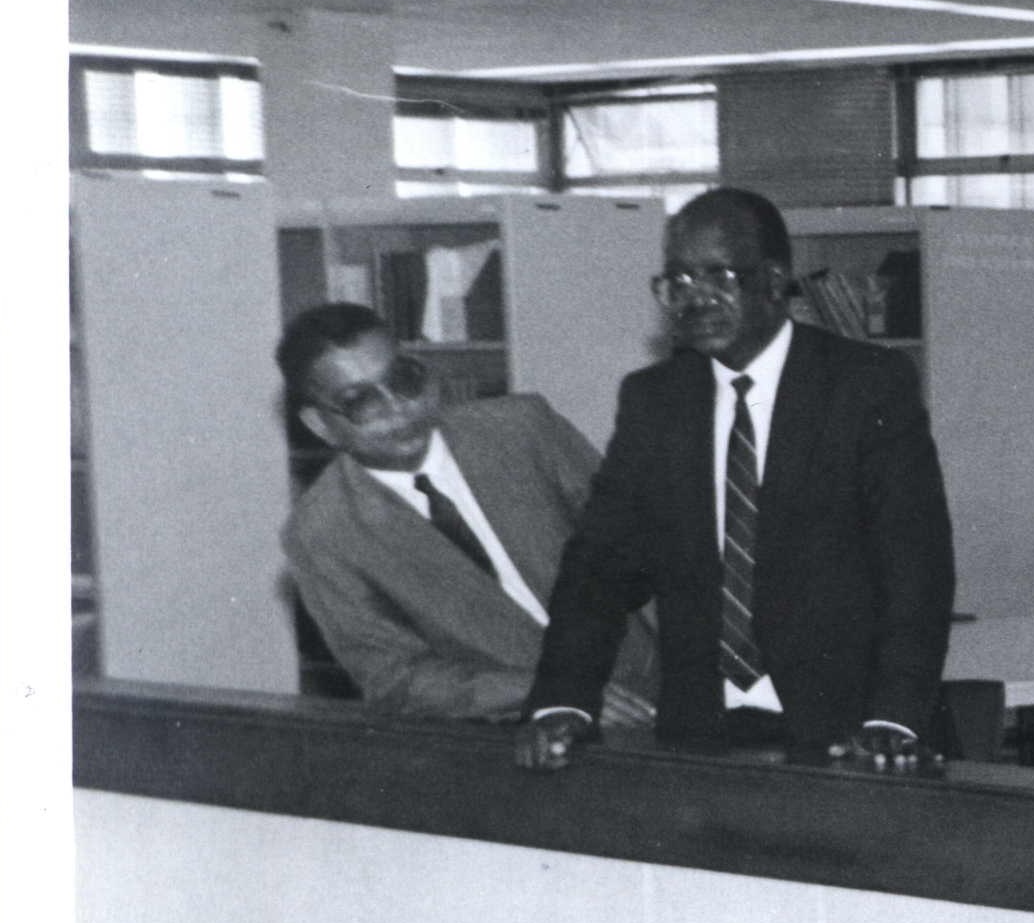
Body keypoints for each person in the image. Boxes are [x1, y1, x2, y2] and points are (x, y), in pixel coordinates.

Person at [519, 187, 955, 770]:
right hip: (701, 730)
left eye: (717, 276)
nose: (694, 298)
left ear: (774, 281)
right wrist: (564, 701)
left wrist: (892, 719)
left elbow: (916, 570)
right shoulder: (655, 402)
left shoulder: (865, 386)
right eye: (677, 281)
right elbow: (598, 569)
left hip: (848, 731)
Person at [275, 305, 651, 725]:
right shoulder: (323, 534)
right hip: (514, 726)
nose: (398, 408)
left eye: (403, 380)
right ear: (321, 426)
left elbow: (643, 545)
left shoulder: (524, 428)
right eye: (360, 402)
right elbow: (396, 680)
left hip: (660, 683)